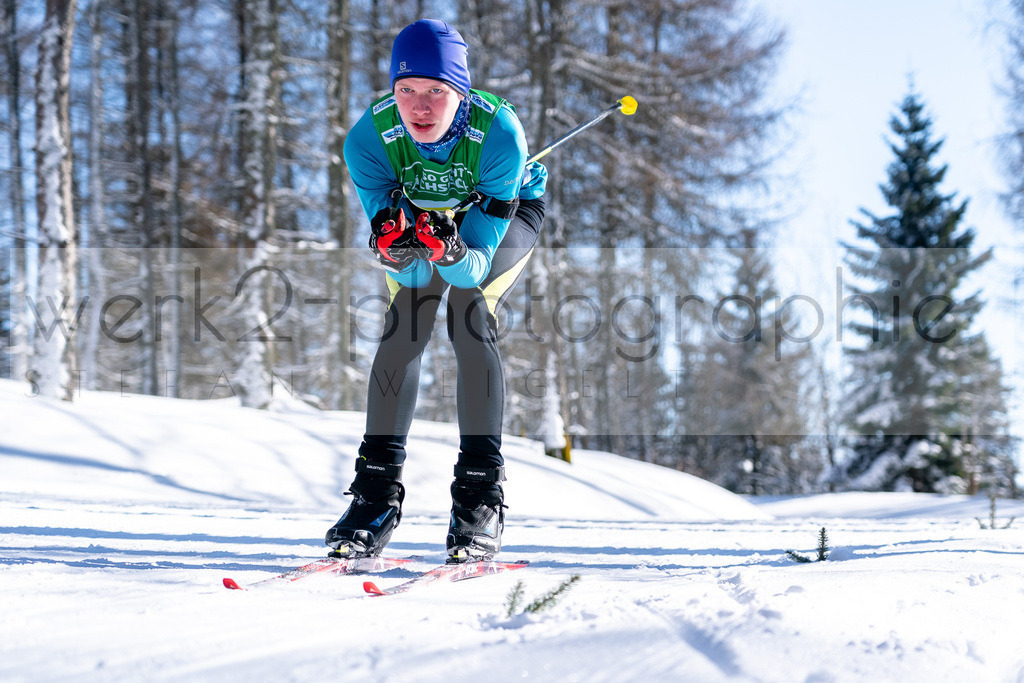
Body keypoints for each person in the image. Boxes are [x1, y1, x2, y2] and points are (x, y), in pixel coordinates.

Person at [325, 19, 547, 563]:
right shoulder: (368, 140)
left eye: (435, 92)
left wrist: (448, 250)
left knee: (468, 317)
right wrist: (395, 251)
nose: (419, 107)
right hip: (425, 216)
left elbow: (469, 269)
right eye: (406, 91)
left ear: (461, 92)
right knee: (406, 323)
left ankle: (479, 496)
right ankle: (375, 494)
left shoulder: (499, 137)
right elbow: (412, 276)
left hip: (504, 215)